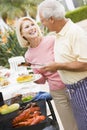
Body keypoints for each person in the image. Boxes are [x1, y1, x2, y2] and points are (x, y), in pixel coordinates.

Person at [16, 16, 78, 130]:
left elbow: (68, 59)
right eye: (27, 27)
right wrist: (30, 77)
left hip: (73, 85)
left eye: (32, 24)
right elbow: (41, 80)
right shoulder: (28, 55)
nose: (32, 28)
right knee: (70, 126)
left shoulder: (52, 40)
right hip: (57, 92)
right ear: (22, 34)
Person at [37, 0, 87, 130]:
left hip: (83, 88)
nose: (42, 23)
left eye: (42, 20)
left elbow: (85, 64)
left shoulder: (75, 32)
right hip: (73, 90)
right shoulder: (59, 34)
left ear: (51, 19)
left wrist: (58, 66)